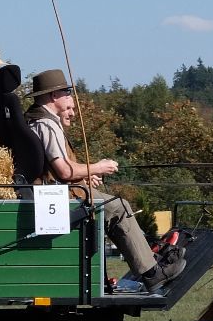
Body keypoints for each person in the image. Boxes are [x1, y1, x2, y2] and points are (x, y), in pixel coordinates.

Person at [25, 68, 184, 292]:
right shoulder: (47, 124)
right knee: (117, 207)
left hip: (54, 192)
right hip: (57, 197)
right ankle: (152, 272)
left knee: (114, 204)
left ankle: (123, 269)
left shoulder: (36, 119)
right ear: (54, 96)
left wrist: (85, 175)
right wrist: (100, 166)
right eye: (66, 92)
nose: (70, 98)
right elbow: (64, 171)